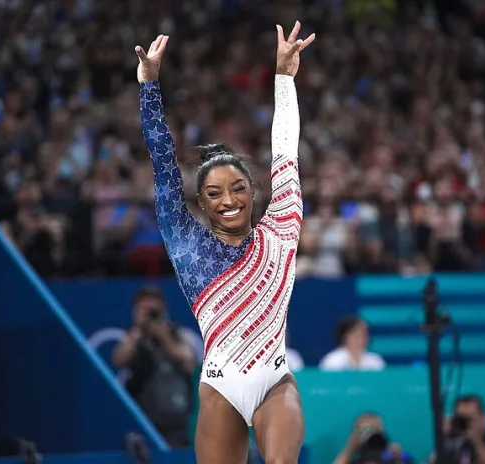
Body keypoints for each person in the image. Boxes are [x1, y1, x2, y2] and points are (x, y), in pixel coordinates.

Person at [135, 21, 315, 464]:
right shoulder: (188, 246)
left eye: (237, 189)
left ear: (253, 191)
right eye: (214, 194)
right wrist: (149, 86)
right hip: (220, 388)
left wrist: (284, 78)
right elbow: (163, 167)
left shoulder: (282, 228)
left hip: (275, 383)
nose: (228, 201)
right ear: (202, 203)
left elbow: (285, 151)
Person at [111, 286, 196, 447]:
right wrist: (138, 329)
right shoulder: (133, 337)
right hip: (143, 418)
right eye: (144, 309)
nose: (149, 314)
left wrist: (164, 336)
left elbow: (188, 362)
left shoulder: (177, 334)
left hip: (176, 417)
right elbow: (118, 360)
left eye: (153, 310)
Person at [438, 395, 485, 464]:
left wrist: (474, 440)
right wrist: (444, 438)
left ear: (483, 418)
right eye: (460, 420)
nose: (464, 425)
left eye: (468, 419)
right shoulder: (453, 446)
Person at [319, 315, 386, 371]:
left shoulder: (376, 361)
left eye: (364, 334)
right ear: (344, 336)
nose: (361, 339)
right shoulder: (332, 361)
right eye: (356, 335)